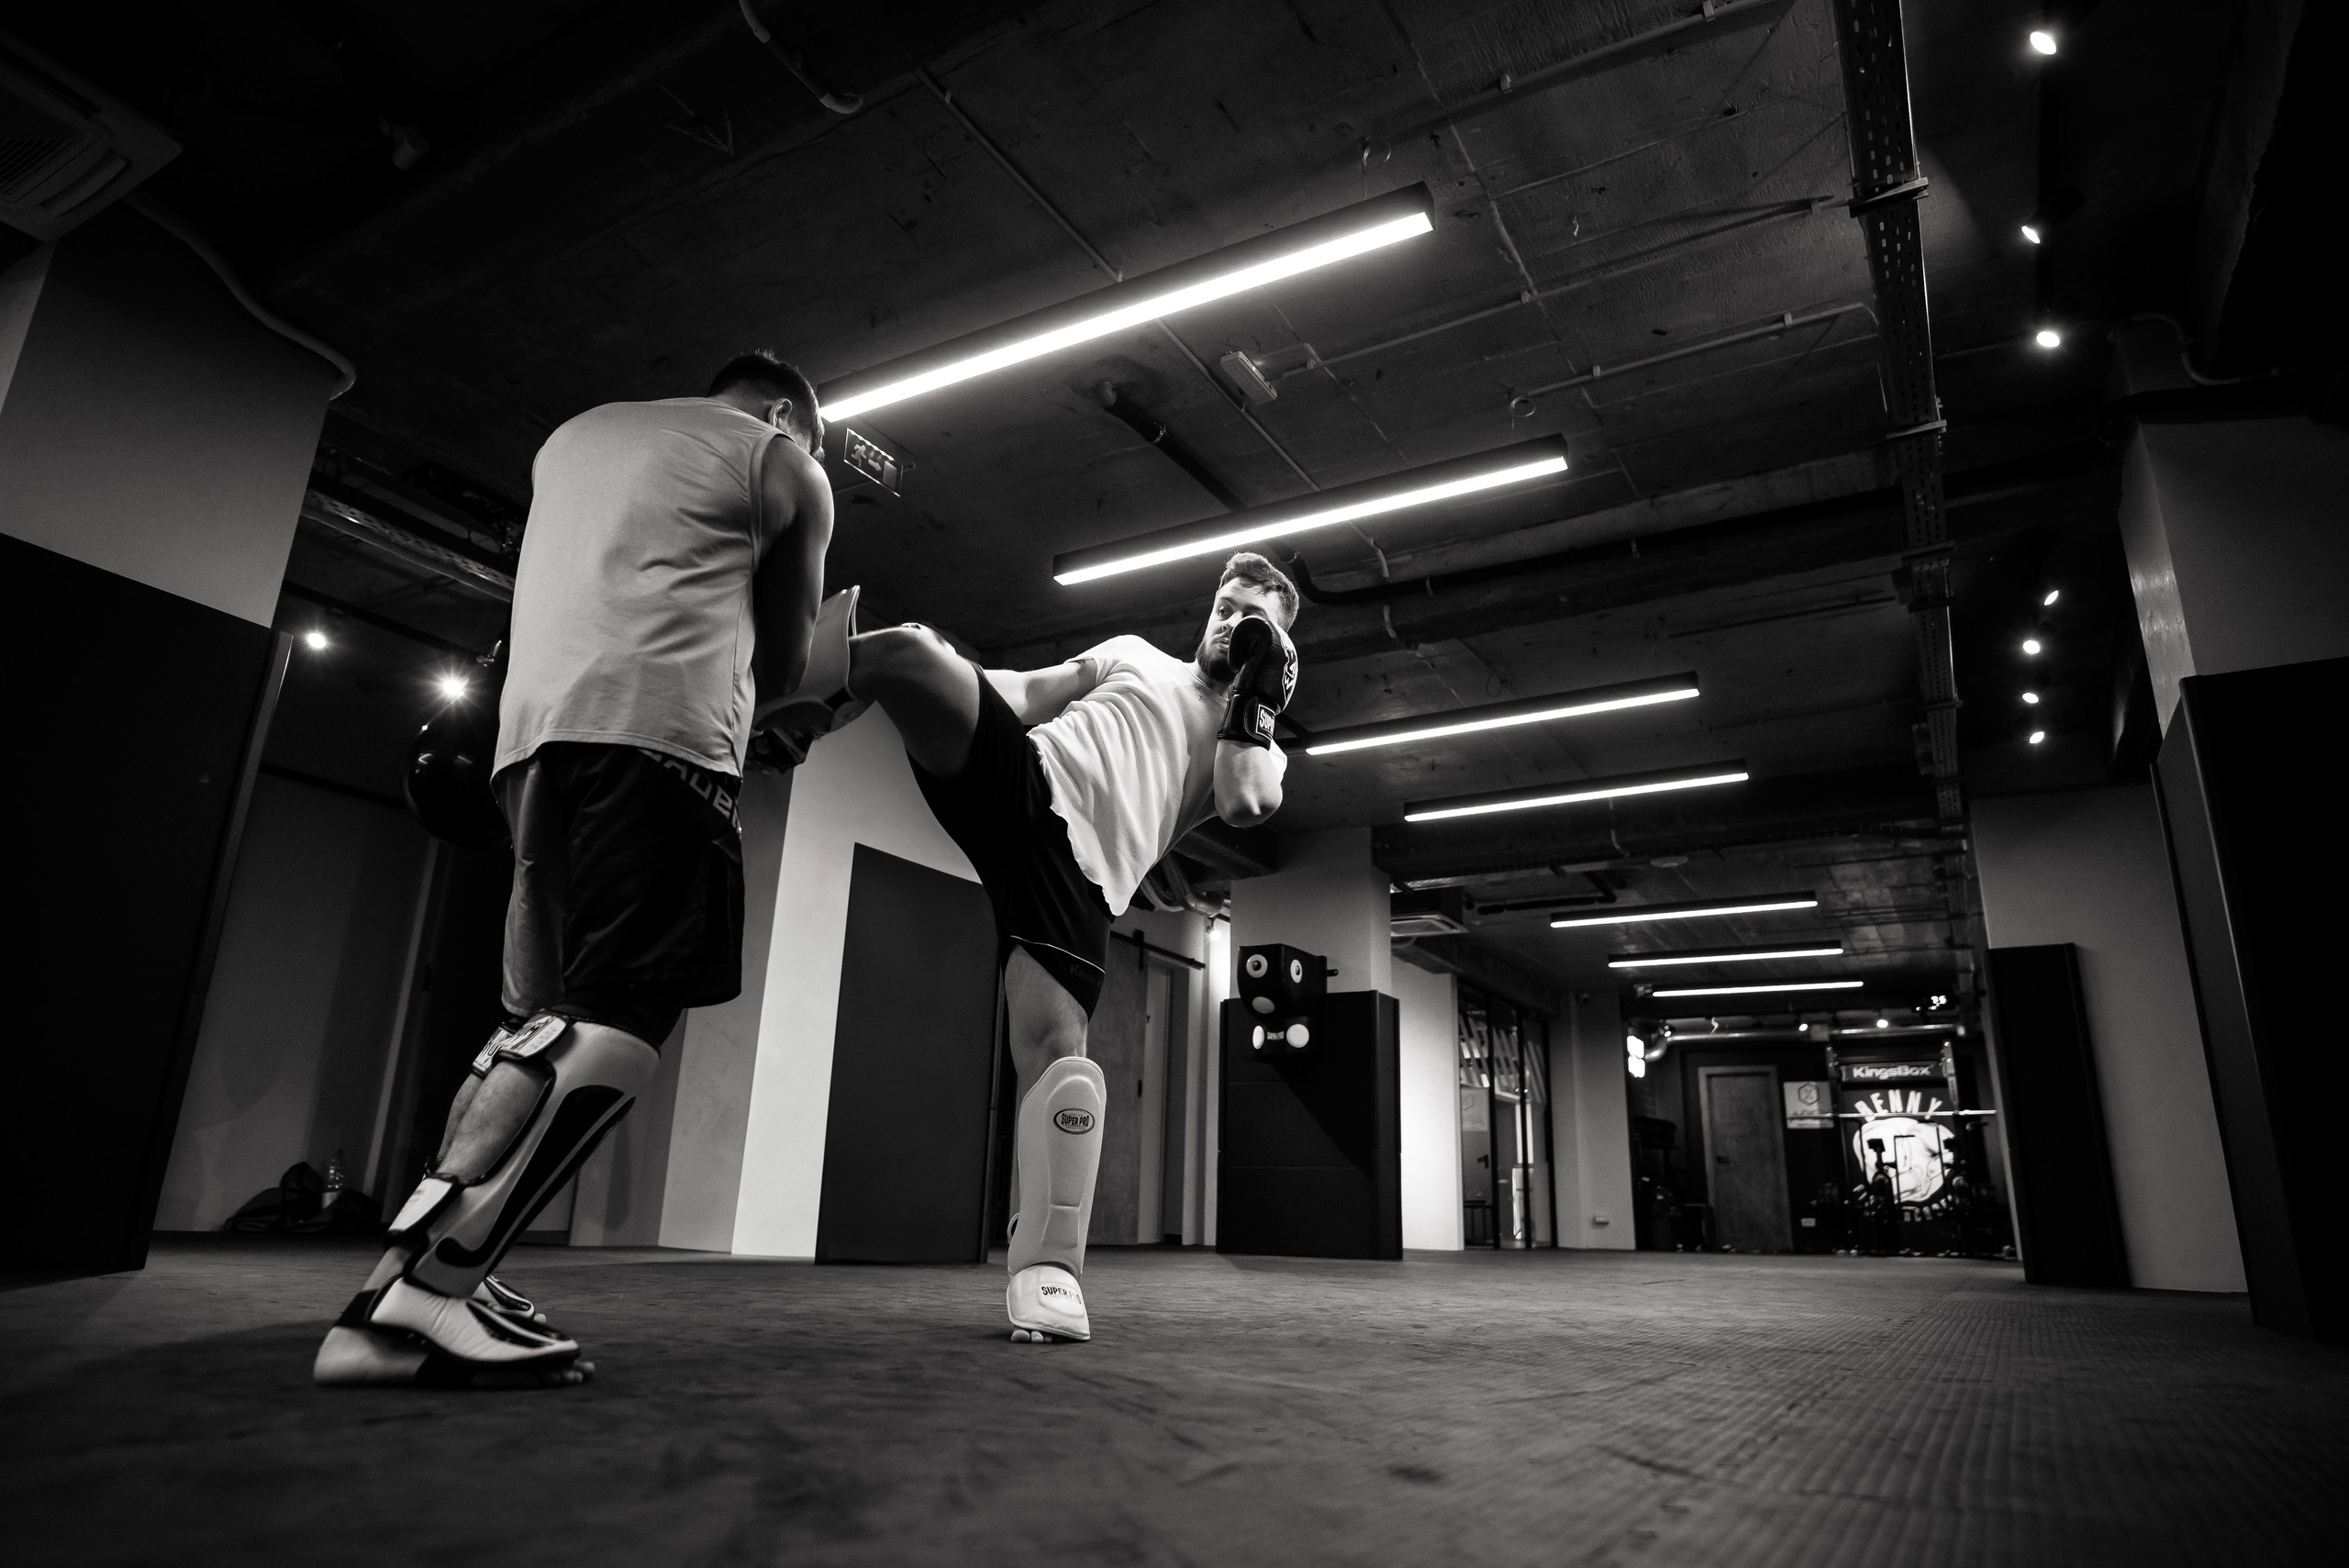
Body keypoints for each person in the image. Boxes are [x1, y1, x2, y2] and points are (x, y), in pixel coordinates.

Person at [315, 352, 836, 1387]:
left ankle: (424, 1271)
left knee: (541, 1023)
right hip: (661, 738)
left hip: (530, 745)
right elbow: (785, 664)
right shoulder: (786, 461)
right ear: (785, 412)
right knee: (618, 1022)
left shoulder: (579, 432)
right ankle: (423, 1291)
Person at [780, 552, 1300, 1341]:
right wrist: (964, 681)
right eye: (1225, 607)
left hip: (1079, 877)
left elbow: (1244, 800)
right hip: (1023, 778)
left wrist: (1256, 695)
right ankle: (767, 710)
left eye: (1251, 621)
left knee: (1061, 1067)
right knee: (910, 651)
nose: (1230, 624)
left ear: (1277, 647)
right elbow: (1029, 691)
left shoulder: (1254, 745)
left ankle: (1047, 1272)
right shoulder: (1134, 653)